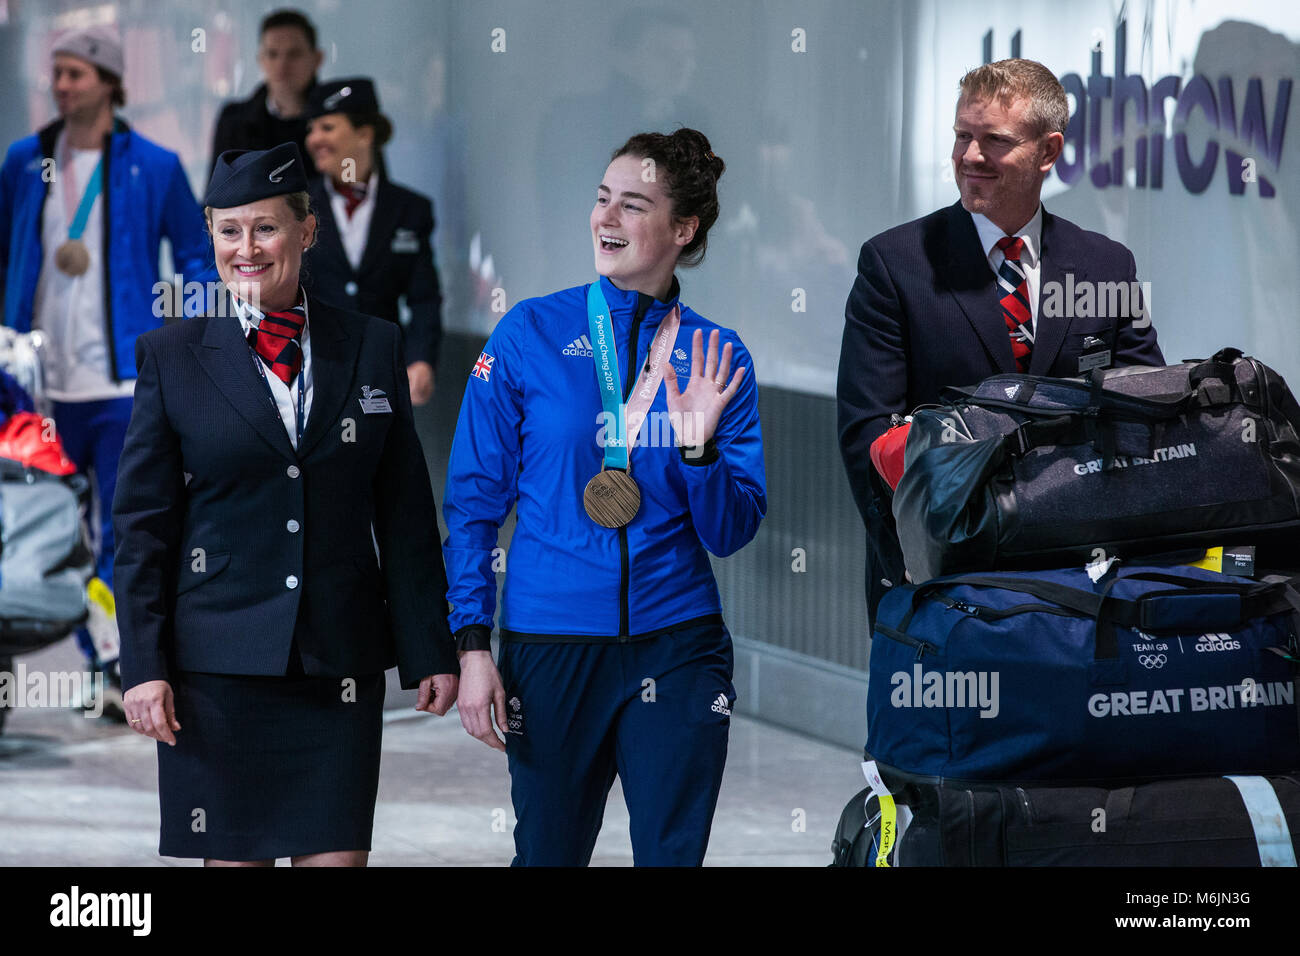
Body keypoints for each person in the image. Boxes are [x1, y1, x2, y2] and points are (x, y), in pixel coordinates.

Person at [112, 143, 458, 866]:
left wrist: (430, 645)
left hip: (337, 665)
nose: (247, 248)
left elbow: (402, 512)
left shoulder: (371, 345)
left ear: (307, 232)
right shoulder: (172, 356)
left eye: (265, 228)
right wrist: (142, 662)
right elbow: (142, 528)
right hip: (217, 672)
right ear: (209, 236)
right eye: (229, 230)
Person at [444, 129, 766, 866]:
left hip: (678, 643)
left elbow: (731, 529)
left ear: (682, 231)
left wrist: (697, 447)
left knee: (670, 856)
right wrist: (471, 644)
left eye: (632, 204)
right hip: (550, 645)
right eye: (601, 200)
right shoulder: (530, 333)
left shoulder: (717, 356)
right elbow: (472, 504)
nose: (606, 218)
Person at [836, 58, 1165, 621]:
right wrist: (921, 560)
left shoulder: (1105, 264)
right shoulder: (895, 264)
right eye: (962, 135)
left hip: (1078, 580)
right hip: (942, 582)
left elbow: (1144, 406)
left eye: (994, 140)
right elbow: (868, 436)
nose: (969, 156)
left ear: (1048, 151)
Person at [0, 24, 213, 709]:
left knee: (128, 527)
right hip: (37, 388)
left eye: (76, 74)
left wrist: (186, 340)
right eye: (56, 74)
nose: (62, 86)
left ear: (111, 83)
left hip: (124, 384)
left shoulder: (153, 164)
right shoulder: (23, 161)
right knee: (54, 529)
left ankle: (130, 663)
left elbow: (196, 257)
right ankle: (97, 657)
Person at [302, 78, 442, 406]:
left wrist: (421, 359)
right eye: (311, 129)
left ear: (364, 133)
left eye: (327, 127)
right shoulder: (296, 206)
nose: (314, 139)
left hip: (382, 377)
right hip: (311, 375)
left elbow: (424, 298)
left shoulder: (410, 209)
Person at [208, 9, 322, 180]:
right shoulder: (233, 121)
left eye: (294, 54)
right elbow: (215, 195)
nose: (282, 64)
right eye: (272, 54)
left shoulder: (337, 120)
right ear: (261, 59)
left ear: (316, 59)